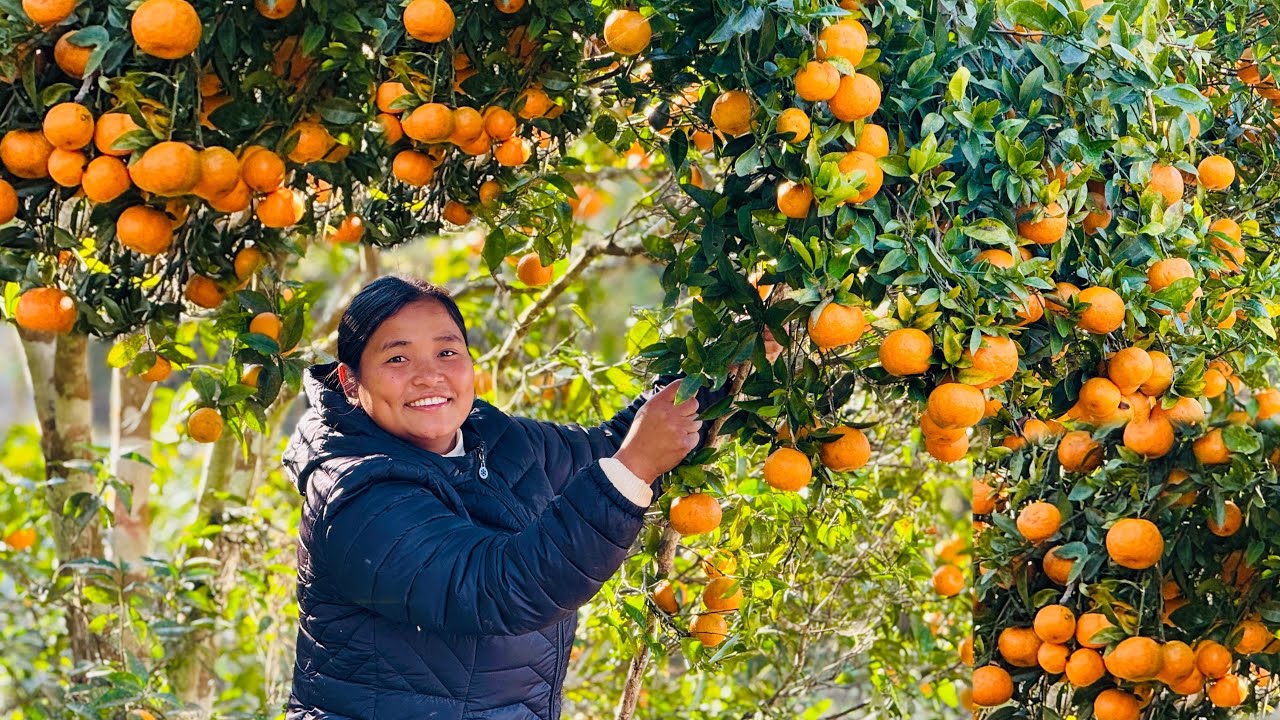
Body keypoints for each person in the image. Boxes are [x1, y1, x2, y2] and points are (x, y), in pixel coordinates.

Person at [284, 275, 725, 720]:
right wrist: (637, 465)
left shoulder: (492, 439)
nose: (429, 375)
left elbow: (613, 446)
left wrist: (728, 355)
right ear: (350, 382)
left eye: (447, 351)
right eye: (398, 357)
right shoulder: (353, 495)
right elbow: (500, 587)